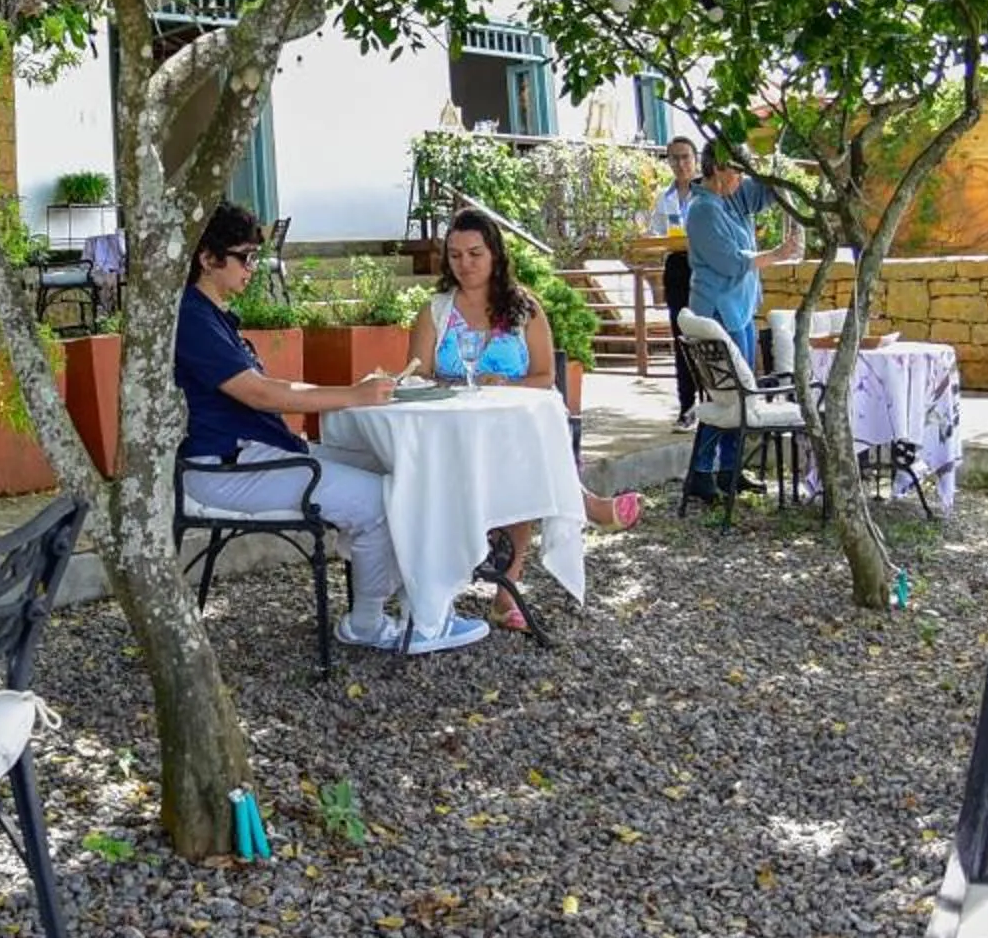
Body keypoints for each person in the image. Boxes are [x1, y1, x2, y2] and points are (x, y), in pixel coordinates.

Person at [174, 201, 488, 656]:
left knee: (400, 469)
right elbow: (260, 394)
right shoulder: (194, 318)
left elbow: (274, 388)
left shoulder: (212, 316)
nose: (252, 268)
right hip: (225, 466)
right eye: (245, 257)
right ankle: (367, 623)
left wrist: (351, 390)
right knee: (380, 502)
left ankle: (423, 606)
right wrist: (353, 396)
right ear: (207, 258)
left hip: (257, 452)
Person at [406, 209, 641, 631]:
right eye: (455, 255)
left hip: (509, 430)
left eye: (475, 253)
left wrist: (506, 383)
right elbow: (416, 377)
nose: (465, 264)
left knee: (524, 460)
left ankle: (506, 594)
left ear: (495, 254)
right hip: (453, 436)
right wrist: (456, 382)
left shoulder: (523, 308)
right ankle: (585, 504)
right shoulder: (436, 311)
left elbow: (544, 376)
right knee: (527, 461)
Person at [683, 148, 802, 501]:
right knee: (726, 394)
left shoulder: (731, 196)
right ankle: (701, 472)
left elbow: (766, 191)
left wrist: (774, 163)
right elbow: (730, 262)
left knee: (741, 393)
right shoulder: (703, 210)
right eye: (738, 170)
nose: (742, 178)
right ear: (718, 170)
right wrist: (776, 255)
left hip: (741, 309)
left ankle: (730, 470)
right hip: (718, 312)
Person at [645, 137, 705, 426]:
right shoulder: (664, 197)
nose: (680, 164)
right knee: (681, 337)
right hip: (677, 267)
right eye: (674, 158)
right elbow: (657, 235)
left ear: (695, 159)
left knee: (708, 335)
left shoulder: (707, 192)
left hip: (704, 266)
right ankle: (686, 406)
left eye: (685, 157)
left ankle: (715, 404)